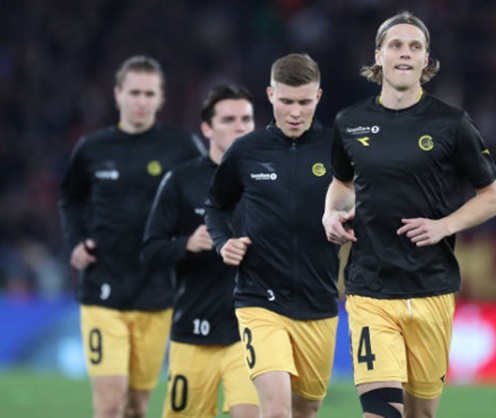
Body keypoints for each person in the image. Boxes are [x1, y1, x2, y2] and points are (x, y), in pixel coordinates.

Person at [322, 11, 496, 418]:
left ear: (426, 60)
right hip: (369, 289)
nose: (405, 53)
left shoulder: (452, 124)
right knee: (382, 413)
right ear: (379, 56)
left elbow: (492, 197)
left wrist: (444, 225)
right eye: (396, 45)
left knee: (421, 414)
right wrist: (330, 214)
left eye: (414, 47)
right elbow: (342, 184)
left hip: (431, 288)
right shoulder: (350, 123)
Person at [58, 55, 205, 418]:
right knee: (110, 402)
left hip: (157, 292)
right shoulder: (93, 148)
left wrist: (194, 240)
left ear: (161, 98)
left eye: (149, 93)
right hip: (102, 288)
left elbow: (207, 192)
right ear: (118, 94)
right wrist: (76, 241)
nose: (141, 101)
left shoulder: (181, 147)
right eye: (134, 92)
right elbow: (70, 197)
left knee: (137, 406)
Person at [205, 53, 340, 418]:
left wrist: (350, 220)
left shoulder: (338, 149)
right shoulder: (246, 151)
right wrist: (223, 242)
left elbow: (364, 202)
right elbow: (216, 206)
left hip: (318, 301)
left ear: (318, 97)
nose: (295, 112)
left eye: (304, 102)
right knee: (276, 409)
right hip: (259, 300)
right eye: (286, 101)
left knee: (306, 409)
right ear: (270, 95)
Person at [141, 84, 259, 418]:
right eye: (228, 120)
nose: (239, 127)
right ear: (207, 128)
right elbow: (150, 251)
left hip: (252, 331)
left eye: (246, 119)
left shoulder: (268, 179)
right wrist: (187, 244)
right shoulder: (180, 181)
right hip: (194, 331)